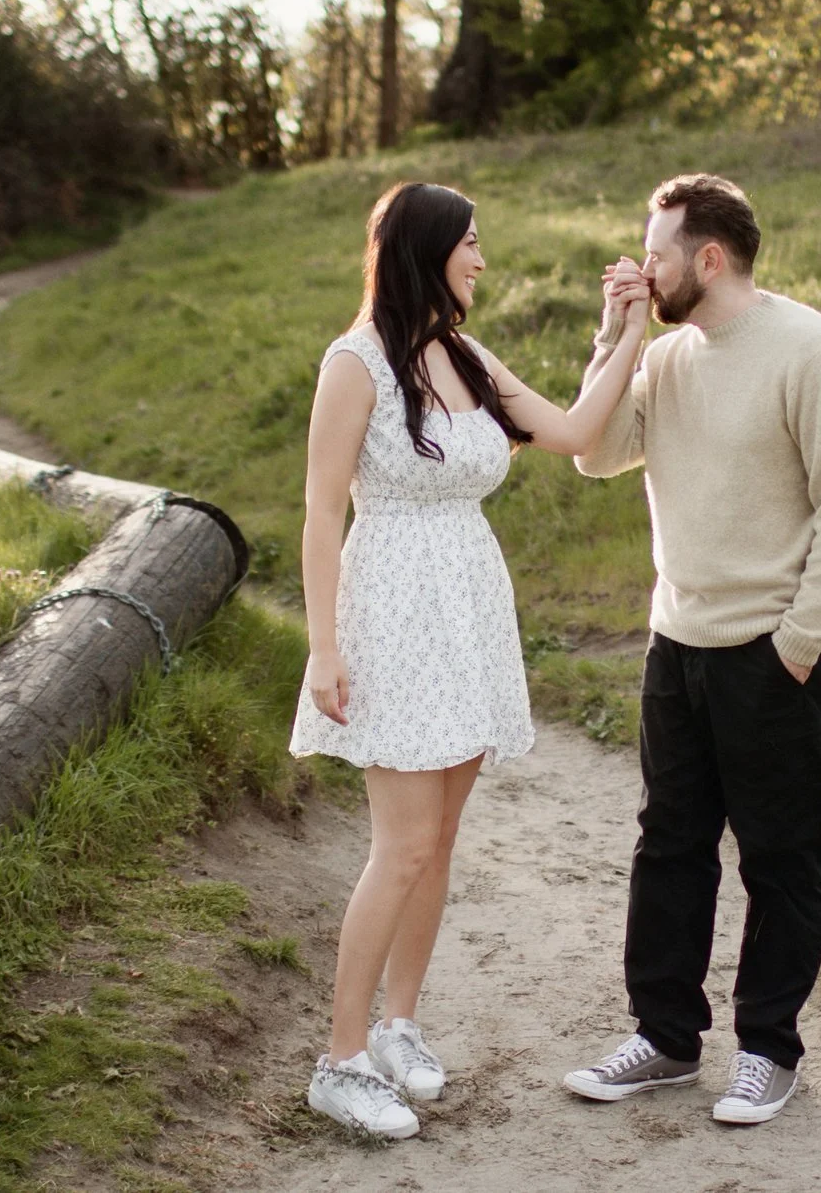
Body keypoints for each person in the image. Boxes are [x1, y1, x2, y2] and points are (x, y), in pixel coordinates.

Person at [291, 180, 652, 1139]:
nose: (483, 260)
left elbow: (572, 431)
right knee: (401, 844)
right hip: (392, 612)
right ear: (429, 249)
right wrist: (324, 646)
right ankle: (339, 1059)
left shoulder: (464, 354)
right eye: (471, 243)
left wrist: (627, 333)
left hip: (468, 610)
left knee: (440, 839)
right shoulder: (356, 362)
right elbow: (321, 512)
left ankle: (398, 1025)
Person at [560, 173, 821, 1127]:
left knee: (780, 857)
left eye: (654, 254)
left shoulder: (806, 347)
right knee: (670, 845)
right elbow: (593, 452)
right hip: (677, 643)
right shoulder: (663, 356)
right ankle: (664, 1037)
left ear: (708, 256)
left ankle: (768, 1050)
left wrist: (801, 640)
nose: (639, 267)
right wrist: (617, 335)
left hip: (772, 651)